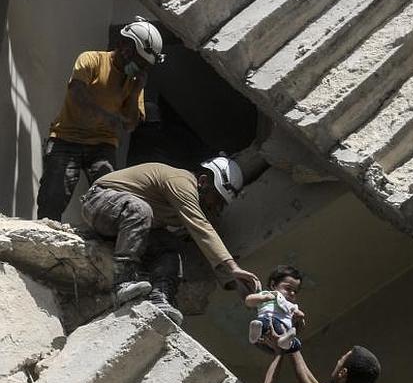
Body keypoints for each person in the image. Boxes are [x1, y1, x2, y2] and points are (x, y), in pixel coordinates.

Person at [80, 156, 260, 326]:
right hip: (99, 202)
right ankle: (123, 280)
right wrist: (233, 267)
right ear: (203, 181)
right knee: (140, 210)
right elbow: (200, 227)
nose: (216, 207)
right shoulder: (181, 181)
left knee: (169, 244)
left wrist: (234, 282)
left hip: (127, 221)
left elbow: (203, 242)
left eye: (221, 204)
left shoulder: (197, 201)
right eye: (217, 199)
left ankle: (160, 298)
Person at [37, 16, 165, 222]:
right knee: (52, 196)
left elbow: (131, 125)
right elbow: (77, 93)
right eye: (139, 62)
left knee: (110, 196)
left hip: (102, 145)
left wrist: (135, 92)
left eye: (144, 66)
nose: (139, 68)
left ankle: (101, 242)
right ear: (125, 46)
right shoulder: (91, 60)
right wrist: (108, 117)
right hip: (66, 138)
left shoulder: (133, 81)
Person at [245, 265, 305, 352]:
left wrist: (300, 316)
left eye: (295, 291)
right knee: (261, 323)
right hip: (268, 320)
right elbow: (248, 301)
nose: (292, 293)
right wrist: (263, 298)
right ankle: (255, 333)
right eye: (288, 288)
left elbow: (298, 313)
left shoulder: (291, 305)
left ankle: (285, 342)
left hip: (284, 329)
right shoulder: (268, 295)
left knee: (297, 345)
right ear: (273, 285)